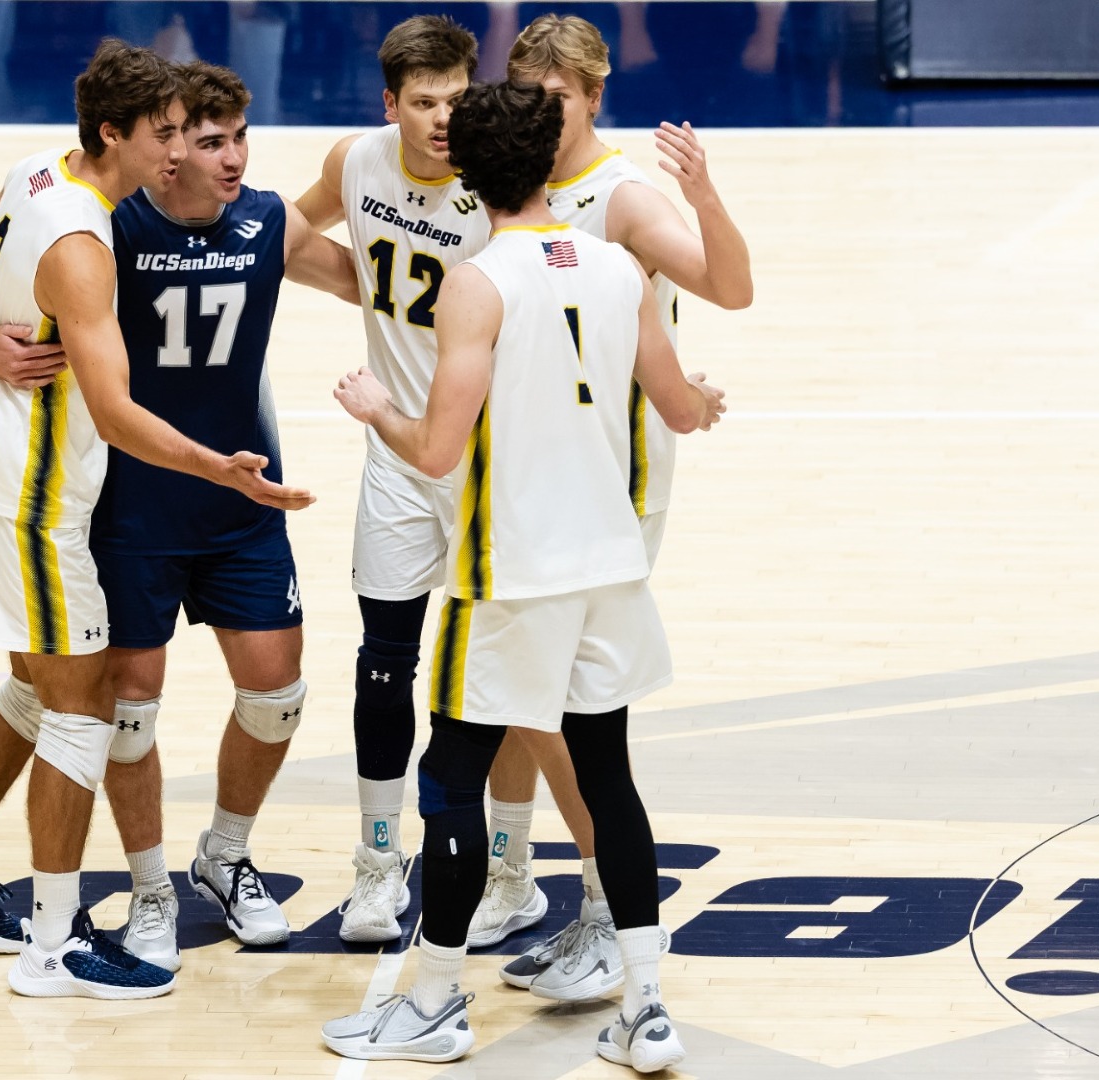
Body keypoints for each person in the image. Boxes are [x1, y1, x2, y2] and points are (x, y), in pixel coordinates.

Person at [0, 41, 309, 1000]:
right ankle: (53, 944)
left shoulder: (35, 169)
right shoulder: (83, 243)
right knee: (83, 711)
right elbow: (115, 414)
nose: (178, 151)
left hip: (0, 466)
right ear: (113, 134)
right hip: (36, 494)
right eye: (164, 134)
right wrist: (225, 471)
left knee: (39, 691)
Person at [319, 80, 723, 1071]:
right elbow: (677, 406)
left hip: (510, 573)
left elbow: (437, 449)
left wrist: (375, 407)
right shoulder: (622, 269)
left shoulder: (478, 281)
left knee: (451, 777)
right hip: (610, 567)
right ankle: (648, 1009)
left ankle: (436, 1004)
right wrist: (703, 403)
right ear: (549, 161)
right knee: (609, 780)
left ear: (465, 171)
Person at [484, 12, 757, 1003]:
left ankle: (608, 912)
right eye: (526, 95)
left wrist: (703, 193)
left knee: (573, 706)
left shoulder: (622, 198)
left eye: (556, 97)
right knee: (525, 688)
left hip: (608, 485)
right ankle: (520, 885)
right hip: (534, 479)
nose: (539, 112)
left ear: (595, 96)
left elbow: (731, 288)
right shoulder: (513, 185)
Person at [295, 14, 551, 946]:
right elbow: (278, 229)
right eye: (424, 102)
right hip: (401, 460)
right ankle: (374, 868)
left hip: (497, 468)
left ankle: (514, 871)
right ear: (390, 103)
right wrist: (352, 283)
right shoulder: (358, 162)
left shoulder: (504, 183)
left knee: (512, 677)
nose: (443, 118)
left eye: (456, 98)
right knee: (383, 665)